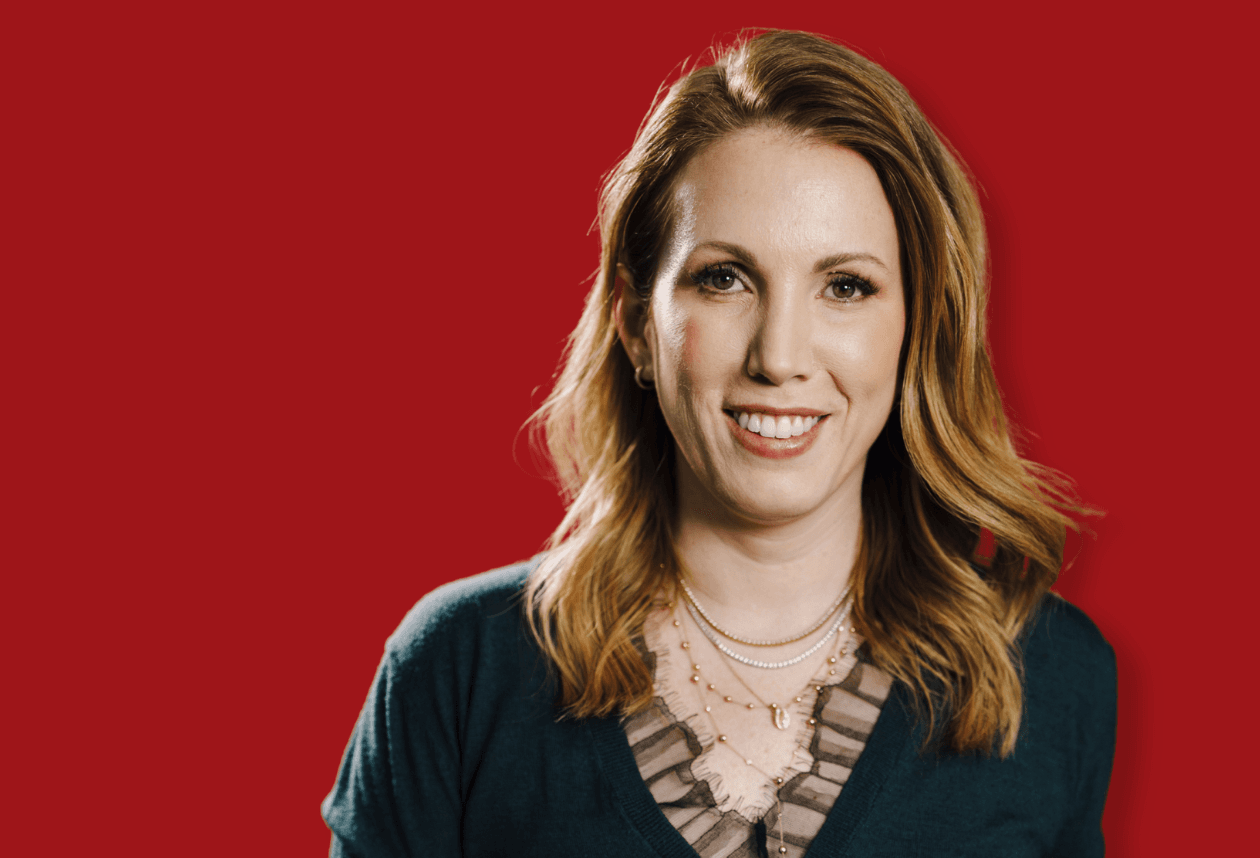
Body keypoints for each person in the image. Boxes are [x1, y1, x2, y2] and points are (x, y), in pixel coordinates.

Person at [323, 29, 1116, 857]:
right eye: (724, 278)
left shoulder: (1054, 680)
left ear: (916, 330)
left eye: (846, 287)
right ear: (635, 322)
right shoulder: (457, 672)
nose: (779, 356)